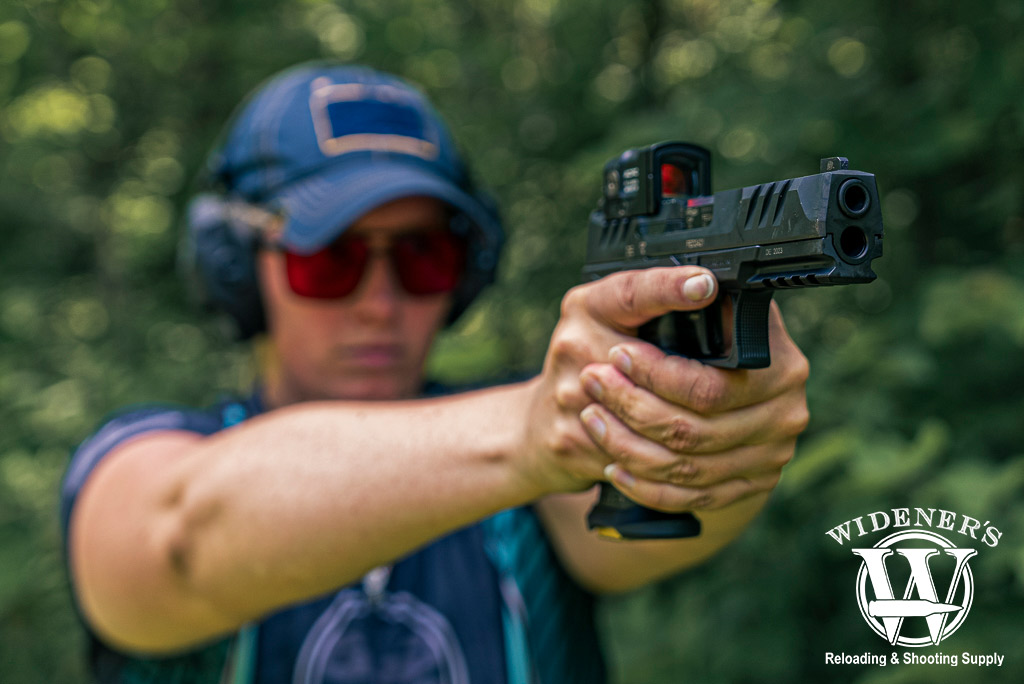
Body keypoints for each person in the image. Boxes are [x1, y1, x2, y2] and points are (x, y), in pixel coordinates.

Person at [60, 62, 810, 684]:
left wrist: (716, 422)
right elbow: (178, 540)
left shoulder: (538, 475)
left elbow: (666, 512)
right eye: (332, 260)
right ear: (236, 271)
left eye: (423, 255)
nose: (380, 303)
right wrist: (535, 436)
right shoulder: (154, 454)